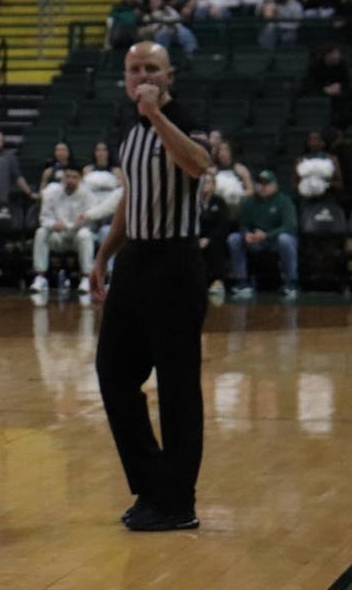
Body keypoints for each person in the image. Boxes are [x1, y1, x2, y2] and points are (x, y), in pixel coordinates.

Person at [89, 42, 211, 532]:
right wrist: (104, 254)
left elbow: (199, 164)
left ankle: (178, 503)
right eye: (134, 69)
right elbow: (132, 196)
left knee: (178, 386)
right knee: (113, 372)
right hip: (136, 260)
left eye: (152, 69)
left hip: (176, 261)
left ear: (169, 76)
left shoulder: (181, 116)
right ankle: (152, 484)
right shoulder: (129, 128)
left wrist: (157, 116)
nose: (142, 75)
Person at [226, 170, 299, 300]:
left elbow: (289, 225)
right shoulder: (249, 202)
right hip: (255, 241)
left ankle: (291, 283)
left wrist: (267, 235)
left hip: (275, 240)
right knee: (234, 239)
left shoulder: (284, 201)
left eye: (266, 184)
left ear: (275, 185)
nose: (263, 187)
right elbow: (243, 224)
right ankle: (241, 282)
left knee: (286, 239)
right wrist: (246, 234)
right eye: (260, 183)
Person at [30, 167, 96, 294]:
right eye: (67, 176)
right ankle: (40, 277)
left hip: (77, 237)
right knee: (41, 232)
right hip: (58, 237)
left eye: (74, 177)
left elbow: (90, 220)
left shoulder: (88, 194)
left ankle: (86, 278)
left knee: (85, 234)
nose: (70, 180)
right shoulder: (52, 192)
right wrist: (53, 224)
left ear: (80, 179)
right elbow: (44, 218)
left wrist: (70, 225)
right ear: (62, 178)